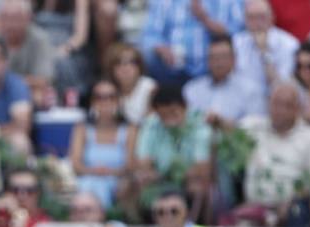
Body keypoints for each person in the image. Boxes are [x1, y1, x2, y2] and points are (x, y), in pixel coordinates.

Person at [239, 80, 310, 217]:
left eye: (287, 105)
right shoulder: (252, 127)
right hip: (253, 208)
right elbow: (228, 129)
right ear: (268, 104)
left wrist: (290, 204)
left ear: (297, 109)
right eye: (276, 104)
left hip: (293, 209)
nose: (280, 110)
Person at [137, 0, 245, 84]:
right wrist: (162, 48)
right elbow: (150, 35)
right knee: (151, 57)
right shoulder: (164, 2)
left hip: (211, 68)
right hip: (173, 67)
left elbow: (239, 33)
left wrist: (205, 19)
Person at [71, 78, 136, 209]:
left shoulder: (130, 129)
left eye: (110, 97)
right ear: (92, 101)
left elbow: (131, 165)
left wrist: (110, 172)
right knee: (88, 186)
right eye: (99, 97)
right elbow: (76, 164)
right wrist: (95, 171)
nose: (105, 101)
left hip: (118, 182)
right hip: (87, 180)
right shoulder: (82, 128)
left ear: (118, 100)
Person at [184, 35, 265, 125]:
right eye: (214, 57)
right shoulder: (192, 89)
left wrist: (226, 125)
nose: (219, 62)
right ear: (207, 61)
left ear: (234, 59)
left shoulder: (250, 90)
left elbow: (256, 127)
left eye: (223, 57)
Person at [233, 0, 300, 96]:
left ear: (272, 18)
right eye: (251, 18)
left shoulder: (289, 44)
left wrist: (264, 51)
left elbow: (282, 86)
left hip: (276, 102)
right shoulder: (236, 43)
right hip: (243, 100)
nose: (257, 23)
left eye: (261, 17)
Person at [104, 42, 156, 124]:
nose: (125, 67)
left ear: (139, 66)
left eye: (131, 62)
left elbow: (151, 125)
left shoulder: (150, 87)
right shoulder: (106, 90)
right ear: (111, 68)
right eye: (119, 63)